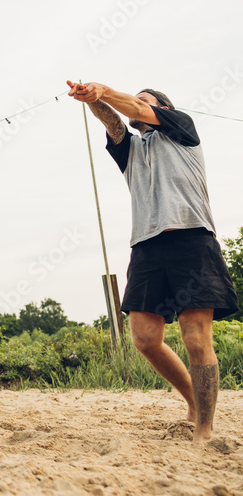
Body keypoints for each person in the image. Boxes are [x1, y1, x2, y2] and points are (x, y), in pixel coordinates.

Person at [67, 81, 238, 443]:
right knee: (145, 339)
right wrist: (93, 100)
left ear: (162, 108)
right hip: (146, 246)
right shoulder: (130, 148)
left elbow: (132, 107)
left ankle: (204, 430)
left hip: (191, 238)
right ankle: (193, 399)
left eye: (144, 100)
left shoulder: (181, 128)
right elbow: (113, 121)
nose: (136, 104)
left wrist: (106, 89)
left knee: (195, 336)